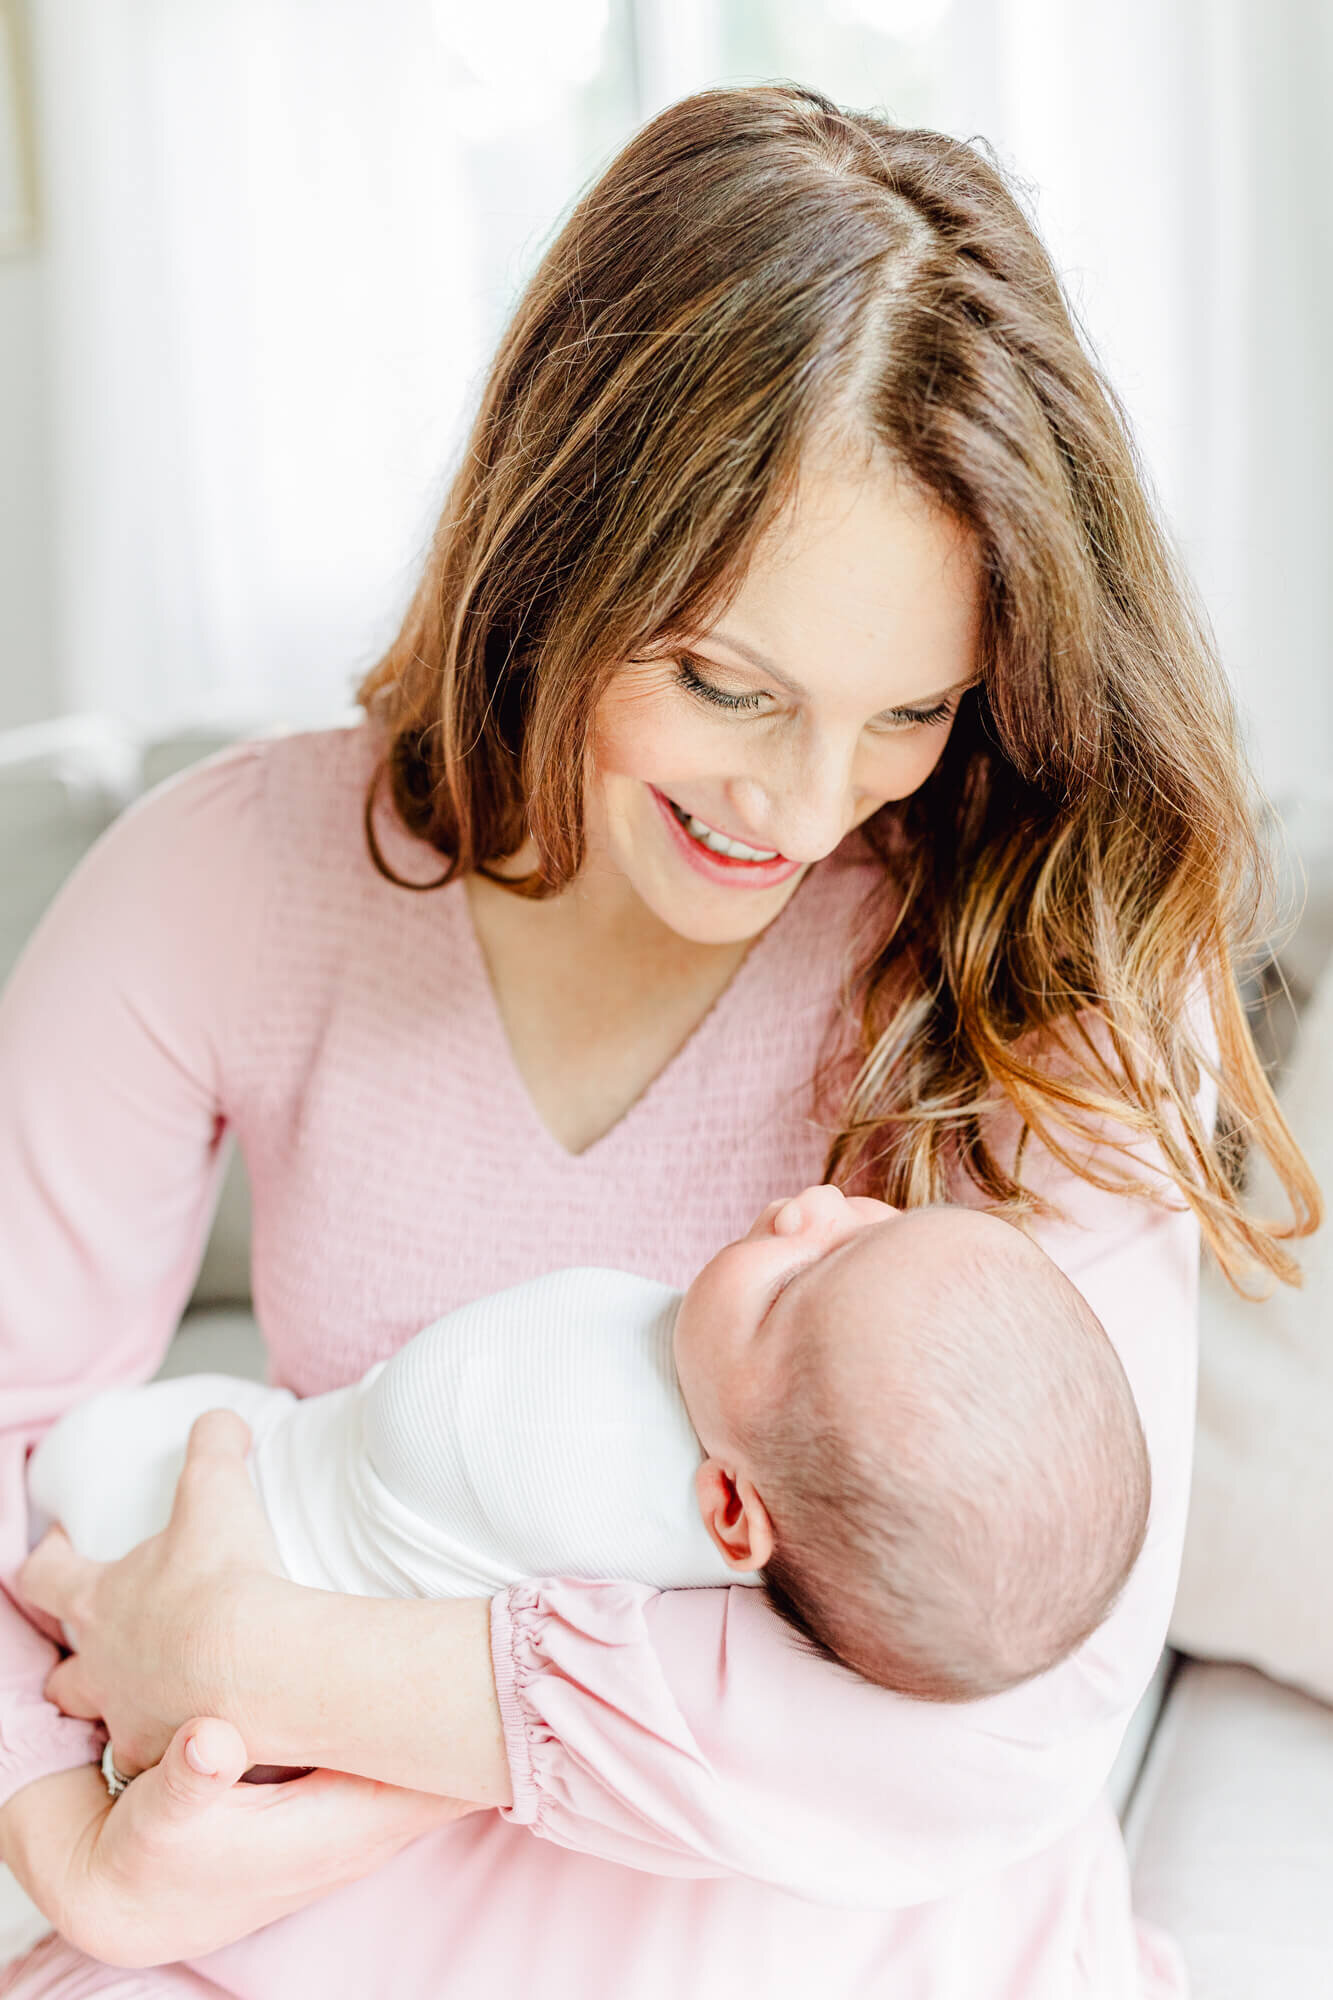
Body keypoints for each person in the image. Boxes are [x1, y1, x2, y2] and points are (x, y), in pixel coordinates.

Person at [0, 81, 1316, 2000]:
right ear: (558, 549)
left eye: (905, 712)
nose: (798, 806)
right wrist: (78, 1862)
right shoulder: (222, 890)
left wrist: (274, 1661)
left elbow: (1011, 1723)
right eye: (724, 682)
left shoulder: (1051, 949)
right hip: (325, 1924)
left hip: (863, 1939)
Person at [26, 1188, 1152, 1706]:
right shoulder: (763, 1454)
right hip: (209, 1492)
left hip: (151, 1521)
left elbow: (424, 1405)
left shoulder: (552, 1430)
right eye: (877, 1220)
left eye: (796, 1287)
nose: (808, 1208)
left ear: (728, 1511)